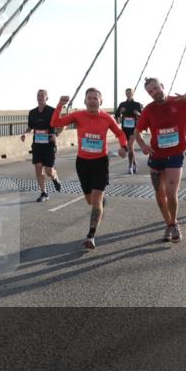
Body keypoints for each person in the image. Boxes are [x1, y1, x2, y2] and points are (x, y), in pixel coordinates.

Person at [134, 77, 186, 243]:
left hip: (175, 155)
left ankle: (174, 223)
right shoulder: (148, 109)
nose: (154, 92)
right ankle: (168, 224)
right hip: (156, 156)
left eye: (156, 88)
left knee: (171, 193)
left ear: (162, 86)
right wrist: (143, 145)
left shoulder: (180, 102)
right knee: (160, 195)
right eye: (150, 91)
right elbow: (137, 131)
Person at [51, 88, 128, 250]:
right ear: (85, 101)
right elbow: (55, 124)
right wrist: (59, 105)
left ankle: (91, 236)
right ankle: (100, 203)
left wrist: (124, 147)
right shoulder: (78, 115)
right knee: (90, 201)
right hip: (82, 163)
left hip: (100, 162)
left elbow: (120, 133)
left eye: (95, 98)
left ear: (101, 101)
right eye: (90, 98)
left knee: (96, 200)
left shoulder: (107, 118)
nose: (92, 100)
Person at [21, 89, 62, 202]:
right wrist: (25, 133)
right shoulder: (32, 113)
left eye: (42, 95)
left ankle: (55, 178)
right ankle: (44, 193)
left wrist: (56, 134)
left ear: (46, 98)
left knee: (49, 171)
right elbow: (30, 127)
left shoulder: (52, 111)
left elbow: (62, 125)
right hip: (37, 145)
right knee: (38, 168)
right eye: (38, 95)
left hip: (49, 145)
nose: (40, 97)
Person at [113, 88, 143, 174]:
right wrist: (120, 112)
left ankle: (130, 166)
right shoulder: (122, 104)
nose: (128, 94)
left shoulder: (137, 104)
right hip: (125, 128)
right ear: (125, 94)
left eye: (130, 93)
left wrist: (138, 114)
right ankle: (134, 163)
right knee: (130, 148)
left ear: (133, 93)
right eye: (127, 93)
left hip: (134, 128)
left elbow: (143, 117)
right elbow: (117, 115)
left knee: (130, 146)